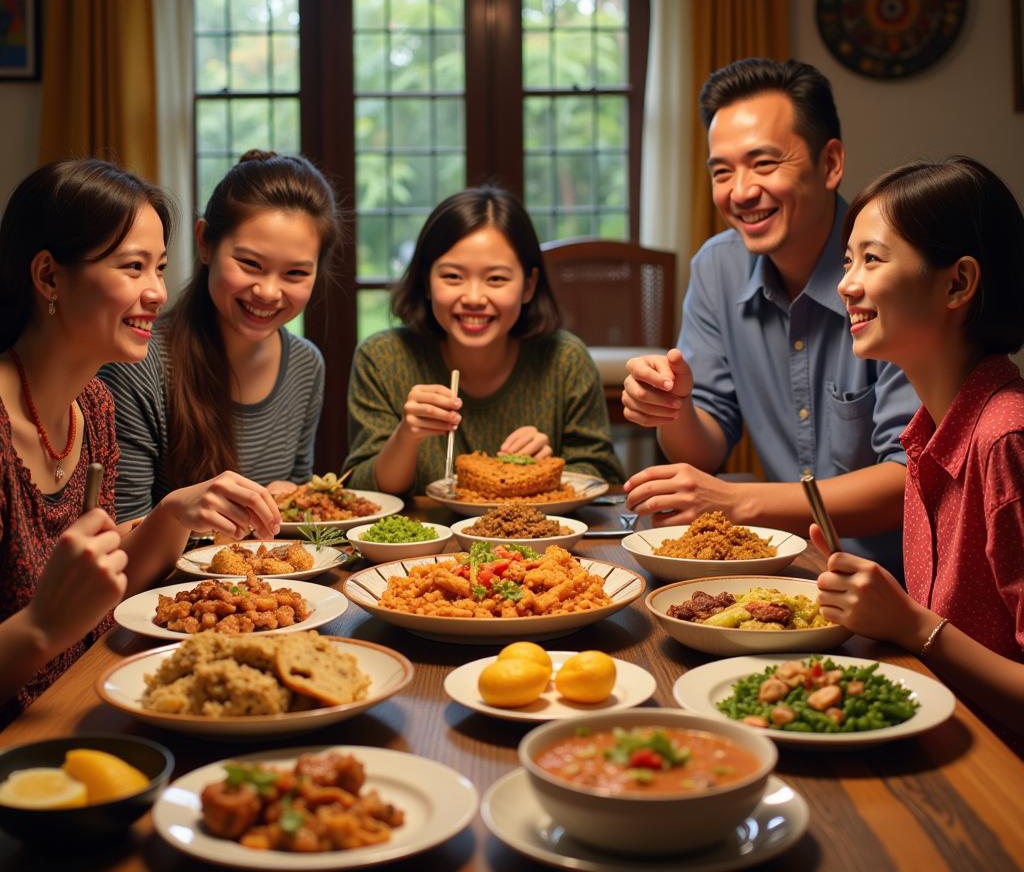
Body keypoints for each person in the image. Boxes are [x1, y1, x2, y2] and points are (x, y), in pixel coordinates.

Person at [0, 160, 280, 721]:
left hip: (91, 698)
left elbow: (100, 581)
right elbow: (57, 619)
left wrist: (173, 514)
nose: (156, 291)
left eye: (159, 268)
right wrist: (40, 627)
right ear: (49, 277)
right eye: (133, 267)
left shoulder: (92, 408)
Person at [621, 58, 918, 575]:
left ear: (830, 164)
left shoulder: (891, 271)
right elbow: (705, 448)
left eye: (763, 164)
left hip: (896, 585)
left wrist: (741, 503)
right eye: (722, 171)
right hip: (783, 571)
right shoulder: (718, 267)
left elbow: (909, 479)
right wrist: (675, 406)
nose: (740, 191)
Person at [812, 156, 1024, 732]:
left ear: (957, 282)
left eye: (872, 260)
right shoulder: (927, 432)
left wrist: (911, 625)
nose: (846, 285)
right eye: (847, 260)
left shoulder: (1006, 437)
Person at [100, 150, 340, 521]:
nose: (268, 292)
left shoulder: (306, 365)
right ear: (205, 242)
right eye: (250, 264)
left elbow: (297, 507)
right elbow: (120, 535)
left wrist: (290, 500)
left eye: (295, 274)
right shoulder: (140, 363)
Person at [344, 187, 624, 495]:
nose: (474, 298)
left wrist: (548, 468)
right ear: (426, 280)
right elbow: (363, 489)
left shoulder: (564, 359)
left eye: (496, 279)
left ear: (529, 286)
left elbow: (602, 476)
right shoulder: (383, 358)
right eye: (452, 276)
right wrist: (407, 436)